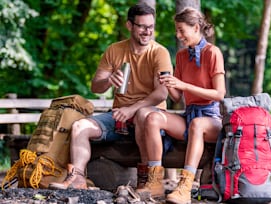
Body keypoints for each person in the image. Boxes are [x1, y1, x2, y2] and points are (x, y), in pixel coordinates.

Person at [48, 3, 173, 190]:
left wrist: (131, 109)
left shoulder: (159, 53)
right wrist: (108, 80)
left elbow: (161, 93)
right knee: (79, 126)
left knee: (142, 116)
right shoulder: (114, 50)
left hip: (149, 118)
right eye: (142, 26)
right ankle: (78, 179)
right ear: (129, 25)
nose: (147, 32)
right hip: (118, 117)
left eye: (151, 27)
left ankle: (146, 182)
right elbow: (95, 87)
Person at [137, 7, 226, 203]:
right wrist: (167, 83)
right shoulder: (181, 56)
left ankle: (185, 187)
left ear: (195, 28)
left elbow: (220, 94)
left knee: (197, 125)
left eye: (181, 30)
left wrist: (184, 85)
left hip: (212, 119)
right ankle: (155, 181)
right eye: (176, 30)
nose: (178, 35)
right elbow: (177, 97)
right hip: (190, 115)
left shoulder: (213, 53)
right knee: (152, 117)